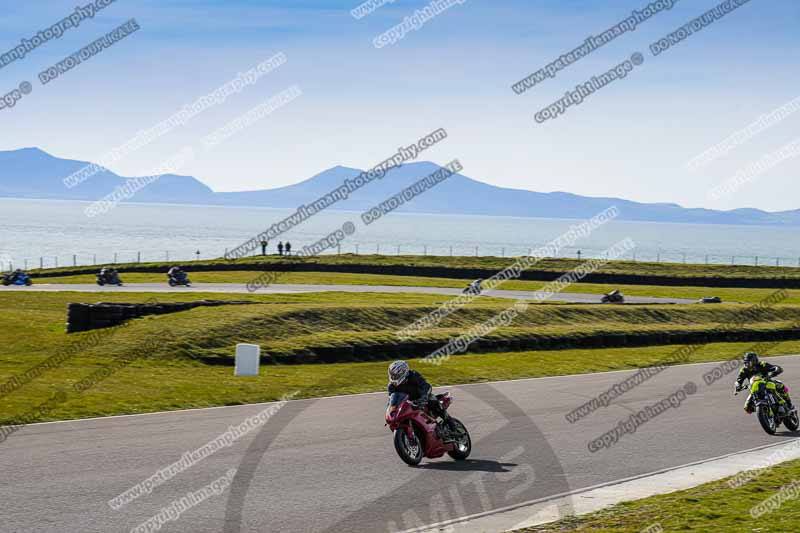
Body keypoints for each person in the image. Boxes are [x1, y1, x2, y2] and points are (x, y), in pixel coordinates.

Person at [388, 360, 455, 434]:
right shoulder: (391, 386)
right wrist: (391, 411)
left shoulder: (413, 375)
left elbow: (426, 386)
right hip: (408, 405)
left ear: (404, 372)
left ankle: (450, 423)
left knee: (433, 402)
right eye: (393, 375)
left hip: (422, 399)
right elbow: (392, 399)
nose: (394, 377)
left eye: (396, 375)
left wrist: (424, 398)